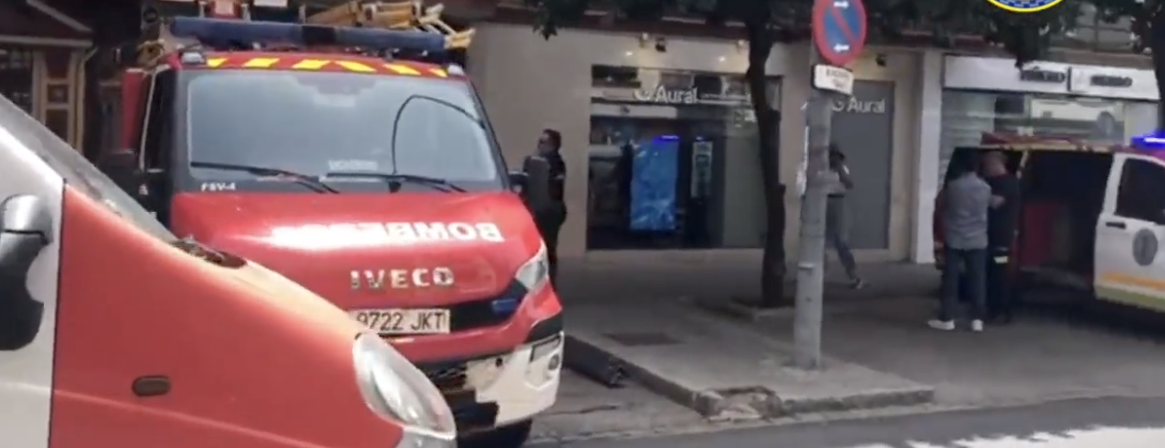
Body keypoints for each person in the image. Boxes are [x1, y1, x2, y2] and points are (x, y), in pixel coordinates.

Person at [931, 156, 991, 332]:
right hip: (979, 239)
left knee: (951, 279)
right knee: (977, 279)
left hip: (955, 238)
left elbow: (941, 206)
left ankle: (948, 318)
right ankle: (977, 320)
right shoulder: (986, 188)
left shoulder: (953, 187)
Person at [981, 151, 1020, 323]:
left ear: (997, 163)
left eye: (988, 164)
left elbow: (996, 203)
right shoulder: (988, 182)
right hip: (986, 236)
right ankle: (991, 309)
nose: (985, 168)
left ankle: (1003, 311)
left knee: (1001, 275)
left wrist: (975, 193)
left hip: (1002, 238)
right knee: (989, 274)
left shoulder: (1009, 182)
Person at [826, 145, 864, 289]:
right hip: (820, 202)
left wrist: (840, 170)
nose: (834, 160)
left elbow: (849, 184)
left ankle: (853, 275)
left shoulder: (842, 169)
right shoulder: (817, 169)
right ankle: (817, 273)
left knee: (841, 240)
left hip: (838, 201)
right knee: (817, 241)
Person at [533, 129, 567, 286]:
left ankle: (547, 284)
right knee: (546, 247)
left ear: (552, 145)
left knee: (547, 248)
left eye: (542, 142)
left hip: (549, 209)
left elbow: (552, 187)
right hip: (548, 208)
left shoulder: (551, 162)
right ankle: (546, 282)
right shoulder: (541, 162)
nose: (539, 145)